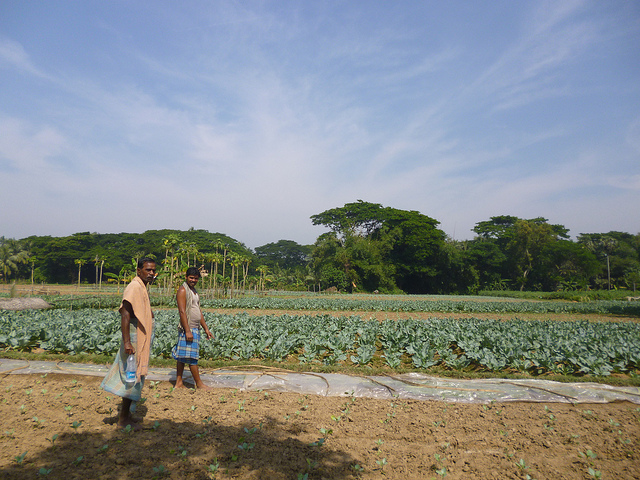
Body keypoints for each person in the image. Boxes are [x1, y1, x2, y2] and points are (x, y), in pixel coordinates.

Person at [101, 258, 157, 429]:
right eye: (147, 270)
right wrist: (127, 342)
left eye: (153, 270)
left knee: (136, 375)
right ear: (138, 270)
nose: (151, 273)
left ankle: (128, 415)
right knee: (131, 376)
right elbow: (125, 314)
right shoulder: (134, 287)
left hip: (138, 338)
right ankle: (123, 419)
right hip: (133, 339)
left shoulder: (141, 286)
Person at [171, 267, 213, 390]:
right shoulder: (183, 290)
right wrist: (187, 330)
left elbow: (198, 311)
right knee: (192, 357)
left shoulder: (193, 291)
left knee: (182, 357)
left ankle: (179, 382)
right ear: (186, 277)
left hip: (195, 327)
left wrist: (206, 328)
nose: (193, 280)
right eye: (191, 278)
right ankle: (199, 383)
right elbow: (182, 311)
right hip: (188, 329)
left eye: (195, 278)